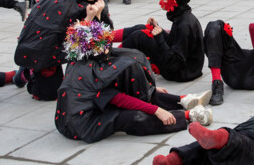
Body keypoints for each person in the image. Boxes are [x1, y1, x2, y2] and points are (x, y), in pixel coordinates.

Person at [55, 19, 212, 143]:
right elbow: (119, 99)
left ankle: (184, 100)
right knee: (133, 117)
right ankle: (189, 115)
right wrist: (156, 110)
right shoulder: (90, 73)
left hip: (96, 103)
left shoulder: (84, 60)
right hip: (82, 123)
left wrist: (151, 88)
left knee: (146, 93)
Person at [14, 0, 113, 100]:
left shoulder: (97, 1)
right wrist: (89, 19)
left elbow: (103, 45)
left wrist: (97, 17)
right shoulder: (62, 3)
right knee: (48, 94)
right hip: (46, 49)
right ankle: (29, 69)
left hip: (75, 45)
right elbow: (62, 41)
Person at [116, 0, 205, 82]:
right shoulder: (182, 16)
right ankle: (108, 38)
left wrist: (159, 37)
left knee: (139, 36)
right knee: (143, 28)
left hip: (181, 73)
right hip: (183, 67)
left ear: (174, 2)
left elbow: (175, 62)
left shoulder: (184, 25)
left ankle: (111, 58)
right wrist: (158, 29)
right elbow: (174, 42)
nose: (160, 1)